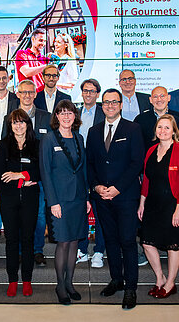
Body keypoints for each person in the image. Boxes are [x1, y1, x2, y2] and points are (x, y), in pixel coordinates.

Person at [86, 88, 145, 309]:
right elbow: (90, 163)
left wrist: (117, 188)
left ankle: (130, 288)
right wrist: (96, 186)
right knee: (110, 240)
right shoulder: (93, 131)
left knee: (128, 241)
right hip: (102, 197)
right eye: (106, 102)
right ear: (102, 106)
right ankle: (116, 280)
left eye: (114, 102)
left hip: (125, 196)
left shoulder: (133, 129)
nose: (110, 105)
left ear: (120, 105)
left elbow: (136, 163)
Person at [40, 100, 91, 305]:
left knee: (74, 242)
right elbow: (45, 172)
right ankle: (60, 285)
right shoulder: (49, 139)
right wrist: (53, 202)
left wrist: (86, 197)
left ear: (74, 116)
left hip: (78, 199)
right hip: (59, 200)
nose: (66, 116)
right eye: (62, 113)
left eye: (69, 113)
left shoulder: (79, 138)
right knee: (62, 243)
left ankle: (70, 283)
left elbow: (83, 170)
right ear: (57, 117)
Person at [138, 114, 179, 299]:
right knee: (146, 242)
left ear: (174, 131)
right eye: (160, 127)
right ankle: (159, 278)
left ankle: (170, 283)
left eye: (167, 127)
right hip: (152, 204)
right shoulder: (151, 150)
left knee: (172, 245)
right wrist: (142, 203)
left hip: (172, 204)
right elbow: (146, 179)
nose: (163, 131)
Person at [1, 80, 51, 267]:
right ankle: (21, 251)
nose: (27, 95)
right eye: (24, 92)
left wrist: (32, 176)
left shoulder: (46, 117)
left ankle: (37, 250)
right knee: (18, 217)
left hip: (40, 176)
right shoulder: (11, 117)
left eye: (31, 92)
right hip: (15, 180)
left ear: (36, 94)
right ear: (18, 94)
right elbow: (6, 146)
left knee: (38, 216)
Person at [0, 109, 40, 297]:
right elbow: (1, 174)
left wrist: (20, 175)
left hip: (30, 200)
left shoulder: (37, 144)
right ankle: (13, 280)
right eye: (15, 122)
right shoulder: (3, 144)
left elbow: (40, 171)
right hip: (9, 200)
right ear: (10, 125)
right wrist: (24, 178)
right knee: (12, 240)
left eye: (22, 122)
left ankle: (27, 280)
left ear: (27, 124)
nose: (19, 125)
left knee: (28, 240)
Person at [76, 79, 106, 268]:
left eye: (92, 91)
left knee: (99, 210)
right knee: (80, 210)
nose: (88, 94)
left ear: (97, 94)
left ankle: (99, 251)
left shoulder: (104, 113)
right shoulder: (74, 113)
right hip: (78, 167)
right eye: (85, 90)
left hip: (98, 167)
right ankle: (82, 248)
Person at [134, 86, 179, 152]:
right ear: (150, 100)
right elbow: (136, 145)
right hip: (149, 160)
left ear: (169, 98)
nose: (159, 99)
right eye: (155, 97)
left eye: (162, 96)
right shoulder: (140, 119)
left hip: (175, 160)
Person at [15, 28, 49, 92]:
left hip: (42, 97)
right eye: (41, 40)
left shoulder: (45, 59)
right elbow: (26, 72)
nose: (43, 43)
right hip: (27, 97)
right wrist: (47, 66)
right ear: (33, 39)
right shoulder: (22, 54)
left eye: (44, 41)